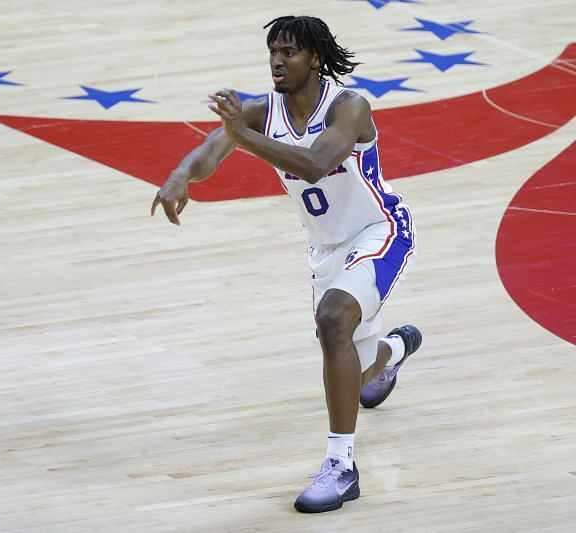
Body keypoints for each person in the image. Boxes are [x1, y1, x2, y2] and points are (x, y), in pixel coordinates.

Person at [151, 15, 422, 513]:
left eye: (290, 52)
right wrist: (179, 175)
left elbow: (315, 162)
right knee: (349, 368)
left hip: (379, 233)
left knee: (333, 321)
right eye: (273, 51)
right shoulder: (260, 112)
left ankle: (341, 467)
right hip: (326, 250)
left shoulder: (349, 107)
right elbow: (210, 152)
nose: (278, 61)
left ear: (315, 58)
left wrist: (241, 134)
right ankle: (390, 353)